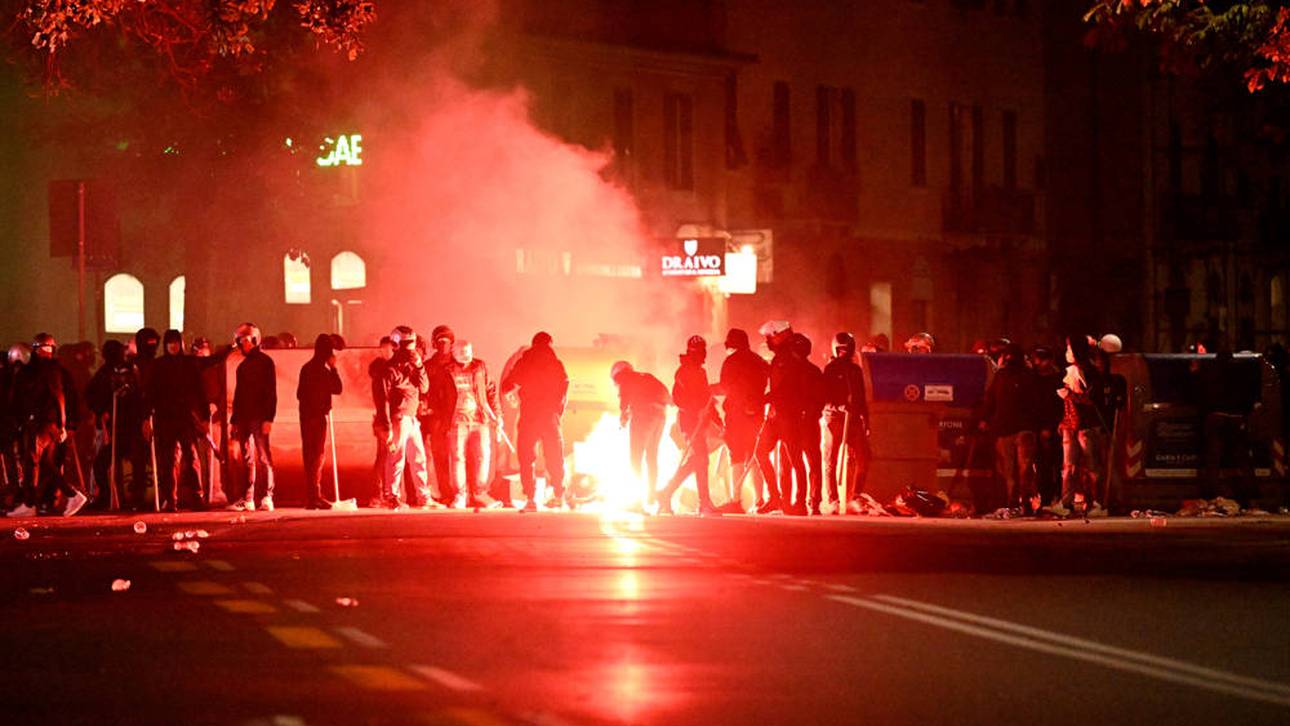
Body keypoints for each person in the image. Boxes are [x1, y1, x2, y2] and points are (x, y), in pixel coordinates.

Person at [9, 333, 86, 517]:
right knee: (44, 463)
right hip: (45, 422)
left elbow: (58, 396)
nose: (46, 352)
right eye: (43, 348)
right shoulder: (52, 369)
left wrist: (62, 424)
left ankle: (30, 503)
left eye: (49, 348)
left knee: (31, 461)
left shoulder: (47, 370)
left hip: (42, 422)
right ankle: (70, 495)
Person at [500, 331, 569, 512]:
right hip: (550, 417)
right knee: (554, 456)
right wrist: (557, 414)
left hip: (529, 415)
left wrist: (513, 397)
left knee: (526, 457)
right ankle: (558, 495)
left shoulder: (525, 361)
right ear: (549, 344)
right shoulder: (556, 364)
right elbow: (564, 389)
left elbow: (507, 385)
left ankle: (530, 499)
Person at [658, 336, 722, 516]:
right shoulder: (683, 372)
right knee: (701, 459)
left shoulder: (700, 372)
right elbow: (679, 399)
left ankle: (666, 492)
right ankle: (704, 503)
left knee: (698, 460)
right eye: (699, 352)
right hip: (689, 422)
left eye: (703, 351)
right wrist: (696, 410)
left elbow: (706, 398)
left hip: (701, 422)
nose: (703, 355)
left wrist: (717, 420)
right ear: (691, 352)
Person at [145, 330, 206, 511]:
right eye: (170, 343)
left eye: (176, 343)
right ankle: (171, 499)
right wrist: (146, 417)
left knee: (191, 456)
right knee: (169, 461)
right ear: (165, 345)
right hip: (165, 419)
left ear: (181, 344)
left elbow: (199, 390)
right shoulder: (158, 366)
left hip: (185, 417)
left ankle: (198, 497)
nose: (173, 346)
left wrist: (203, 416)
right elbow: (150, 393)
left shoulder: (189, 364)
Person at [376, 326, 434, 510]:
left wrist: (419, 366)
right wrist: (387, 426)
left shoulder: (412, 366)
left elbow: (424, 388)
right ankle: (391, 496)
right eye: (406, 343)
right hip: (398, 418)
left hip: (411, 418)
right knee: (396, 458)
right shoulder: (388, 369)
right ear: (396, 344)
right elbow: (382, 400)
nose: (410, 348)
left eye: (411, 343)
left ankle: (423, 497)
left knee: (419, 458)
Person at [1050, 335, 1108, 517]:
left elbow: (1092, 400)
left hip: (1087, 426)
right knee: (1068, 467)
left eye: (1069, 349)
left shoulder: (1089, 372)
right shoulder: (1070, 371)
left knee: (1092, 467)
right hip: (1070, 425)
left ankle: (1097, 504)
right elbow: (1068, 404)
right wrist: (1063, 420)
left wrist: (1069, 395)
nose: (1067, 353)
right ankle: (1066, 503)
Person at [980, 342, 1040, 513]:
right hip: (1017, 427)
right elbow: (992, 399)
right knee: (1022, 468)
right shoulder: (1023, 375)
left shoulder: (1004, 375)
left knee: (1014, 469)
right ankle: (1020, 501)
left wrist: (985, 418)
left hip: (1012, 427)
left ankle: (1017, 501)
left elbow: (991, 399)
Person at [446, 340, 503, 509]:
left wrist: (498, 414)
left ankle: (480, 493)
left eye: (468, 352)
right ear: (454, 353)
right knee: (457, 458)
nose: (466, 357)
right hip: (457, 422)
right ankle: (461, 495)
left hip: (480, 420)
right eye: (462, 353)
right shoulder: (447, 371)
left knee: (483, 456)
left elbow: (490, 391)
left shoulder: (479, 367)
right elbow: (441, 396)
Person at [717, 328, 769, 513]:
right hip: (756, 415)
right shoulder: (759, 361)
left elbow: (725, 386)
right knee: (755, 456)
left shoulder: (731, 361)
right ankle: (760, 500)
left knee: (736, 456)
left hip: (736, 415)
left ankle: (736, 500)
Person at [753, 320, 801, 515]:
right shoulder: (781, 358)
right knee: (764, 452)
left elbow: (783, 389)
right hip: (777, 415)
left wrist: (762, 400)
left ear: (780, 335)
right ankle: (778, 498)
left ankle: (790, 501)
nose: (768, 341)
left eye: (770, 337)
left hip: (786, 415)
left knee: (790, 458)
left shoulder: (787, 358)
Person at [1199, 348, 1257, 508]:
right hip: (1236, 418)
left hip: (1216, 416)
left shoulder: (1211, 373)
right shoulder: (1241, 374)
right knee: (1242, 457)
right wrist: (1245, 413)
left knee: (1213, 456)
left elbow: (1203, 395)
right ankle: (1251, 492)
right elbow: (1249, 396)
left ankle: (1211, 492)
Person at [228, 323, 277, 512]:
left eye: (248, 340)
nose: (245, 344)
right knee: (247, 459)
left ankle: (267, 496)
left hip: (259, 417)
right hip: (244, 418)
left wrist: (268, 418)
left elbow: (271, 392)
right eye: (242, 341)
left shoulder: (266, 363)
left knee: (264, 457)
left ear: (256, 340)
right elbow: (239, 396)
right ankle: (248, 498)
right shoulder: (242, 367)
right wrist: (234, 421)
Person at [821, 332, 869, 515]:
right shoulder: (830, 369)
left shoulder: (856, 370)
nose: (842, 353)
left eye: (845, 349)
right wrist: (839, 406)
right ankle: (833, 499)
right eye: (839, 349)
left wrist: (866, 420)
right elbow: (824, 395)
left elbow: (862, 398)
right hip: (834, 420)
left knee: (864, 457)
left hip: (854, 421)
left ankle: (855, 497)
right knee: (830, 460)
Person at [610, 360, 669, 510]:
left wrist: (623, 417)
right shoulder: (646, 376)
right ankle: (651, 495)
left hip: (644, 415)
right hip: (660, 416)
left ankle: (636, 502)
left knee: (636, 457)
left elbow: (624, 403)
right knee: (652, 456)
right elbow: (667, 396)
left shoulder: (625, 378)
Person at [298, 333, 344, 510]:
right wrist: (334, 369)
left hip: (305, 416)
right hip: (317, 418)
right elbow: (338, 389)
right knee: (317, 456)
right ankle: (314, 495)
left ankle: (312, 496)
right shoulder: (323, 370)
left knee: (309, 456)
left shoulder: (306, 368)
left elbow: (299, 394)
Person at [789, 333, 826, 515]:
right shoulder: (815, 371)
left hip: (797, 424)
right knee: (813, 464)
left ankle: (800, 501)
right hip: (810, 424)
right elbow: (821, 400)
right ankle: (814, 502)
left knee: (798, 463)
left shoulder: (791, 371)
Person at [424, 325, 457, 504]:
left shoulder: (460, 364)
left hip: (459, 416)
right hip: (436, 417)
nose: (443, 344)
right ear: (434, 343)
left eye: (447, 341)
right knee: (440, 456)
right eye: (440, 341)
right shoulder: (429, 366)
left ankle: (463, 492)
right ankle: (446, 492)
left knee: (461, 456)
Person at [1029, 346, 1065, 507]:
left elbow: (1057, 405)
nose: (1037, 363)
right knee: (1041, 465)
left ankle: (1057, 496)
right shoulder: (1033, 378)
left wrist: (1050, 426)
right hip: (1036, 427)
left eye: (1041, 359)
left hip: (1054, 428)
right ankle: (1045, 497)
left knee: (1056, 465)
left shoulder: (1057, 379)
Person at [367, 336, 397, 507]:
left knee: (387, 457)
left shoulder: (385, 369)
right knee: (384, 457)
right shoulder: (381, 371)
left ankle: (384, 494)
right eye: (384, 348)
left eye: (389, 349)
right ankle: (379, 495)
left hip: (387, 419)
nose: (386, 352)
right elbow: (383, 400)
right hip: (384, 420)